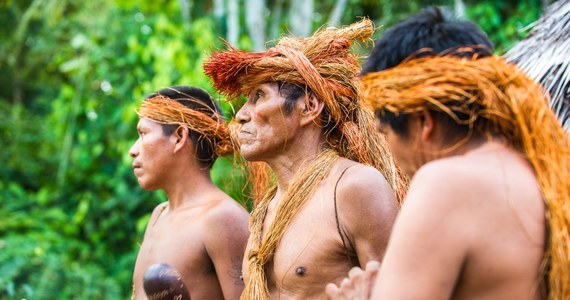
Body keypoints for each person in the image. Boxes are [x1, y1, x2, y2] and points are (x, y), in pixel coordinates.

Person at [326, 7, 570, 300]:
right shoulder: (539, 167)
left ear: (423, 123)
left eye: (386, 132)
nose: (390, 153)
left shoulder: (447, 183)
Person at [203, 19, 407, 299]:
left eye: (258, 97)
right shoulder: (264, 212)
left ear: (309, 107)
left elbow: (400, 292)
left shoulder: (354, 188)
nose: (241, 115)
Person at [128, 86, 250, 299]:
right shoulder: (159, 215)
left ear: (179, 137)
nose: (133, 150)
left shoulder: (223, 218)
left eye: (143, 134)